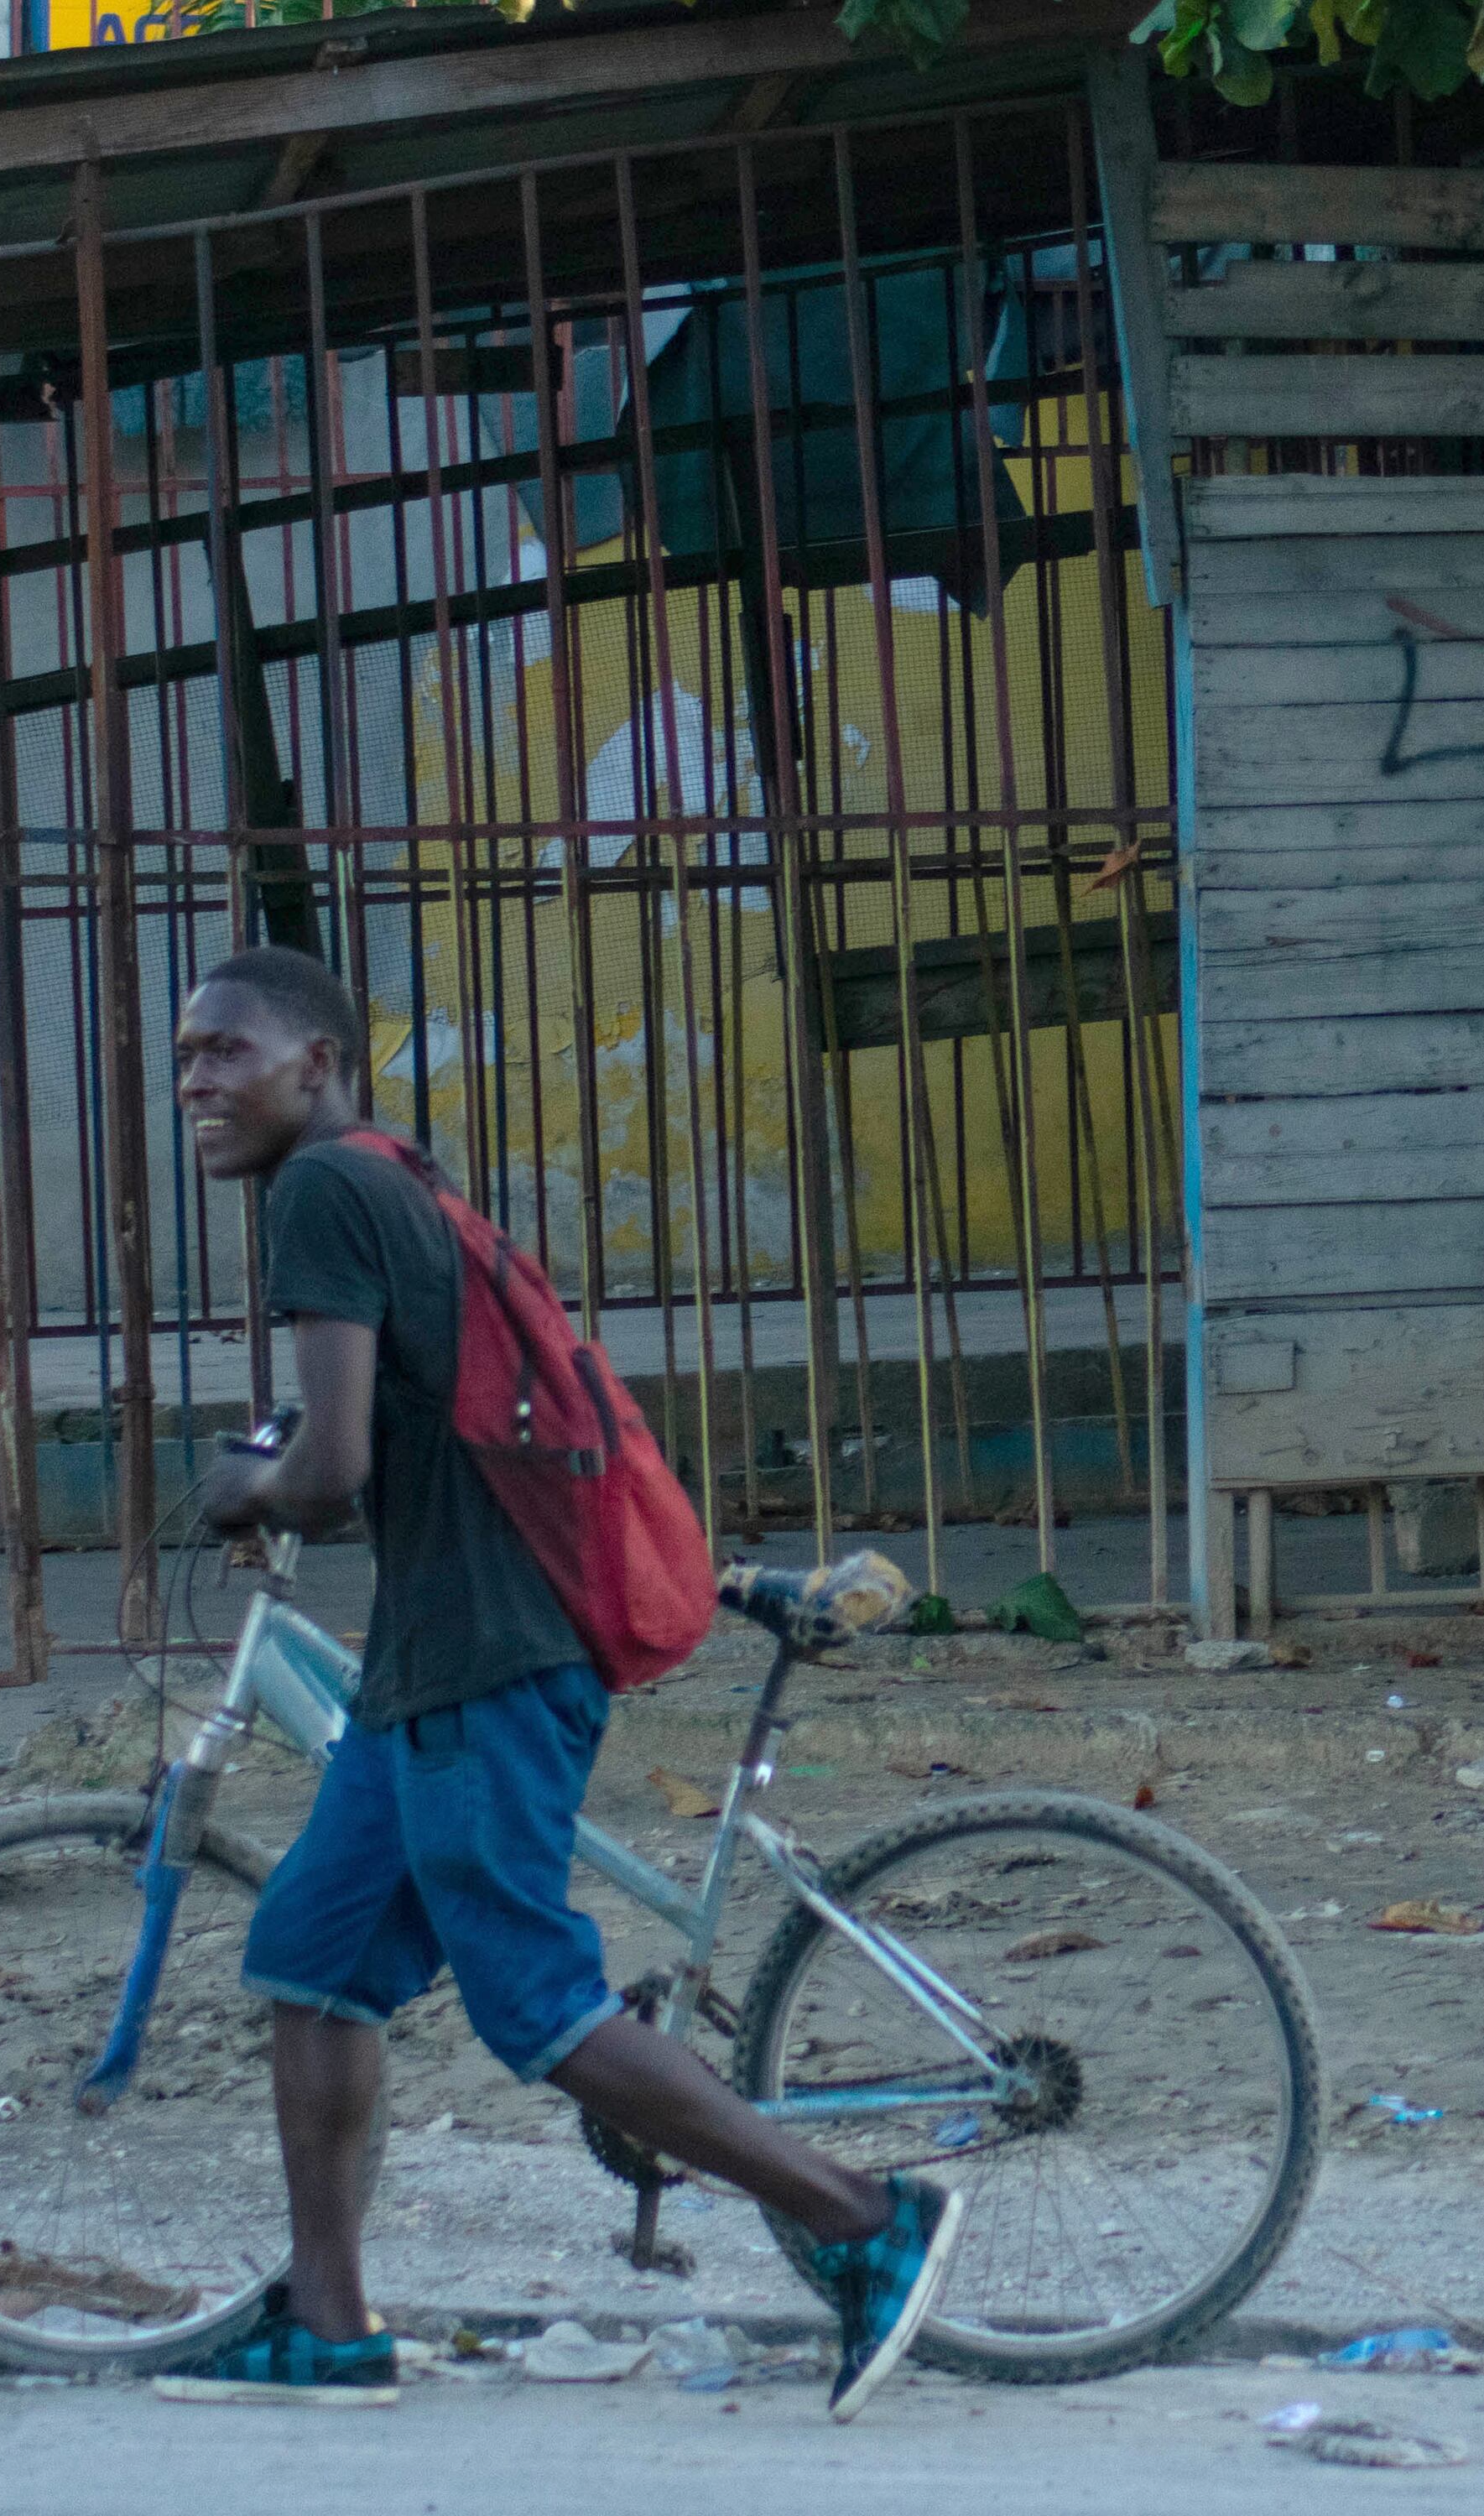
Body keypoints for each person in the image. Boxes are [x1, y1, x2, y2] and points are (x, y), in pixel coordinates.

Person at [165, 944, 956, 2412]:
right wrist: (288, 1469)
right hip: (438, 1656)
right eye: (184, 1059)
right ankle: (327, 2326)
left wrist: (241, 1486)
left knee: (533, 2003)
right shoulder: (396, 1177)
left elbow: (331, 1476)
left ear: (318, 1066)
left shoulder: (326, 1192)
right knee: (313, 1962)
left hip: (486, 1652)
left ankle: (862, 2220)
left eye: (225, 1051)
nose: (197, 1082)